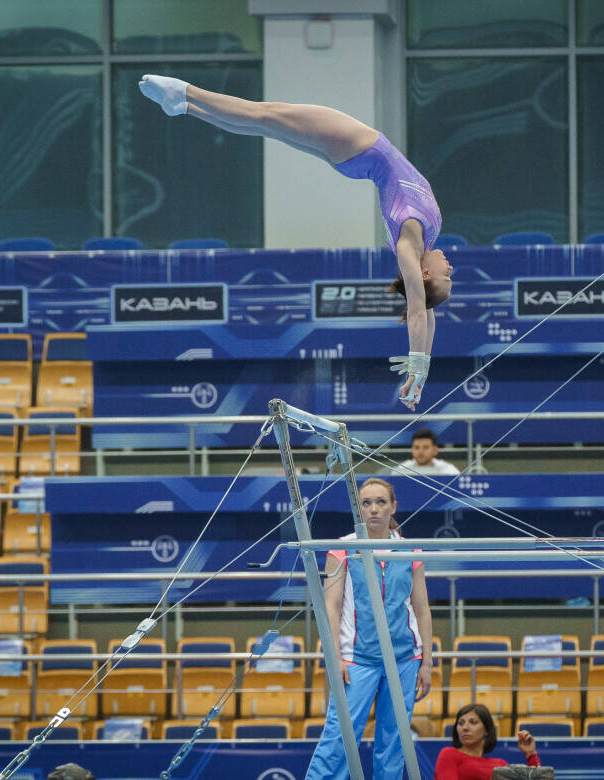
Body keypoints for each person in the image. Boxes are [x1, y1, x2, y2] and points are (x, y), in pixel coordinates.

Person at [138, 74, 452, 410]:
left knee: (267, 115)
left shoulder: (409, 241)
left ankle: (186, 91)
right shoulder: (425, 238)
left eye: (446, 275)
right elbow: (427, 312)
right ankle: (184, 107)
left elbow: (419, 310)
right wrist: (424, 364)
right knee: (267, 125)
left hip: (362, 147)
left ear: (425, 274)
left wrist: (417, 363)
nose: (450, 266)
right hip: (356, 157)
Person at [305, 477, 433, 780]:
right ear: (358, 509)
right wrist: (334, 658)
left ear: (393, 507)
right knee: (340, 736)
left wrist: (427, 661)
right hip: (356, 658)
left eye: (380, 502)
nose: (374, 509)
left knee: (394, 742)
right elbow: (331, 608)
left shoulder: (411, 551)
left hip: (404, 658)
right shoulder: (341, 550)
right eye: (366, 503)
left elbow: (422, 608)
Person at [434, 704, 541, 780]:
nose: (465, 728)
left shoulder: (500, 764)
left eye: (473, 722)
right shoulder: (449, 754)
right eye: (461, 723)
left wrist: (530, 754)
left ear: (486, 730)